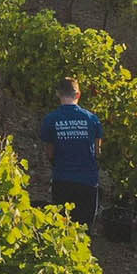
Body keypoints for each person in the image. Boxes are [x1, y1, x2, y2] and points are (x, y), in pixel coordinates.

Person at [40, 77, 103, 227]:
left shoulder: (50, 120)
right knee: (84, 228)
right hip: (87, 182)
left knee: (62, 227)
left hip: (62, 180)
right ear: (78, 94)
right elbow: (98, 151)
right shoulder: (92, 119)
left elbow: (50, 152)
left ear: (58, 94)